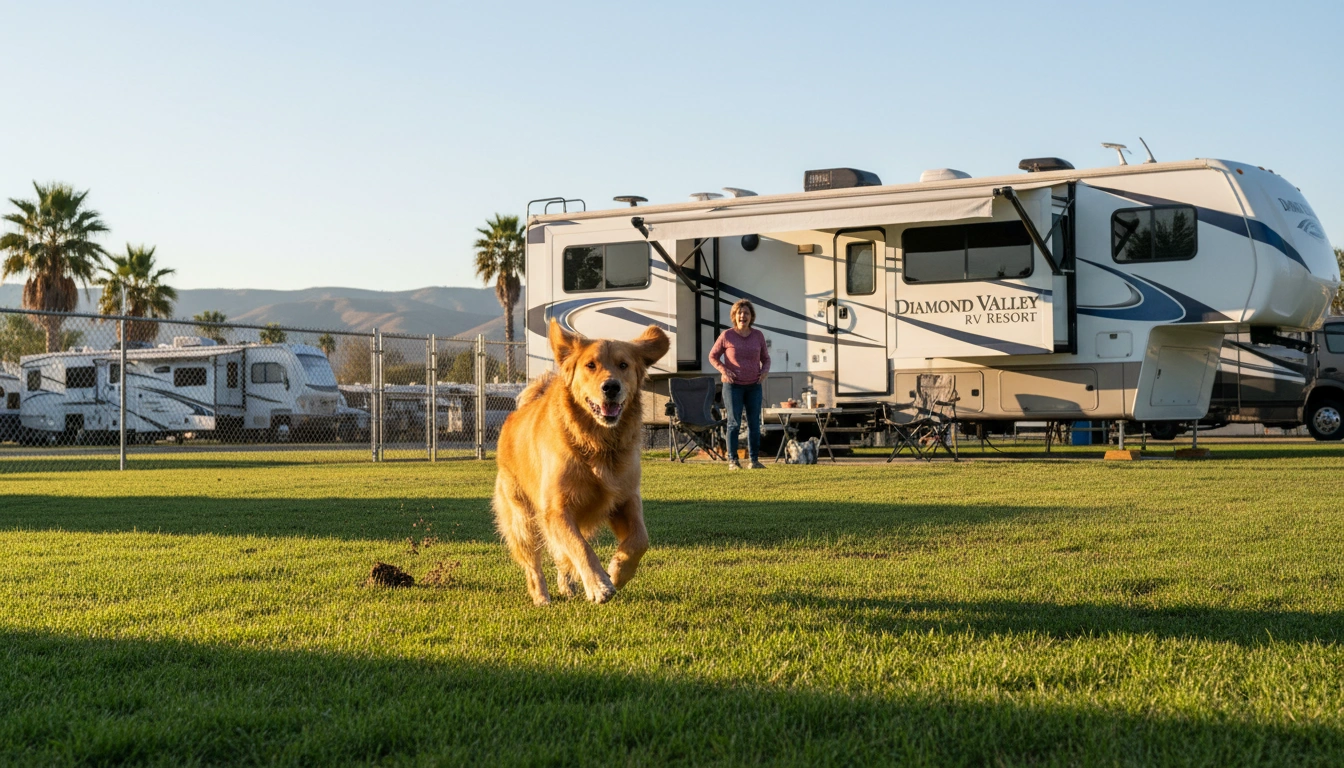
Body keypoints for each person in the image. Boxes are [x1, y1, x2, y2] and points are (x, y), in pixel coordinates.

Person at [709, 299, 771, 470]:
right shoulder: (727, 335)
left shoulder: (758, 335)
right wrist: (723, 370)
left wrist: (765, 371)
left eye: (746, 313)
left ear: (751, 317)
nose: (743, 316)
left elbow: (766, 358)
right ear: (734, 316)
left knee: (754, 424)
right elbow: (713, 356)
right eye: (740, 313)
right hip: (732, 386)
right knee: (734, 423)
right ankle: (733, 460)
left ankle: (754, 460)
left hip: (754, 386)